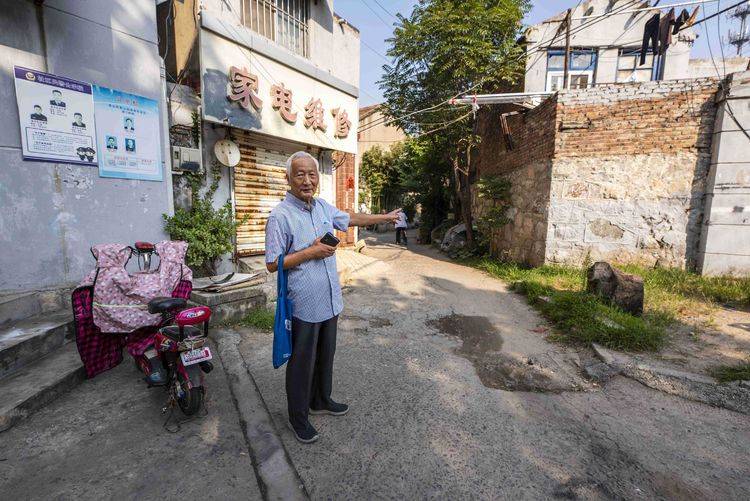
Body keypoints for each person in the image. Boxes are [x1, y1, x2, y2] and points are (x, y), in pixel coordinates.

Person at [265, 151, 401, 444]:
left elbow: (351, 218)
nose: (307, 180)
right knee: (302, 362)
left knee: (326, 356)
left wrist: (386, 217)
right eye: (300, 174)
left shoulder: (323, 208)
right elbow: (272, 264)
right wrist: (309, 252)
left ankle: (321, 400)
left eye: (312, 174)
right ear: (288, 178)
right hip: (303, 303)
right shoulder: (280, 216)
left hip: (329, 299)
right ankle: (298, 418)